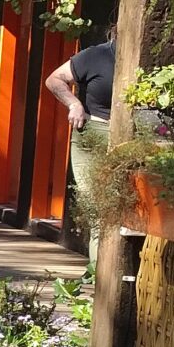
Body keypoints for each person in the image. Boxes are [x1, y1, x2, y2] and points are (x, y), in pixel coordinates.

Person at [46, 35, 117, 243]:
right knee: (97, 205)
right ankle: (99, 270)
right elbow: (54, 79)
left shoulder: (147, 61)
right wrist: (74, 104)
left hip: (130, 138)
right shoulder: (97, 54)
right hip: (93, 133)